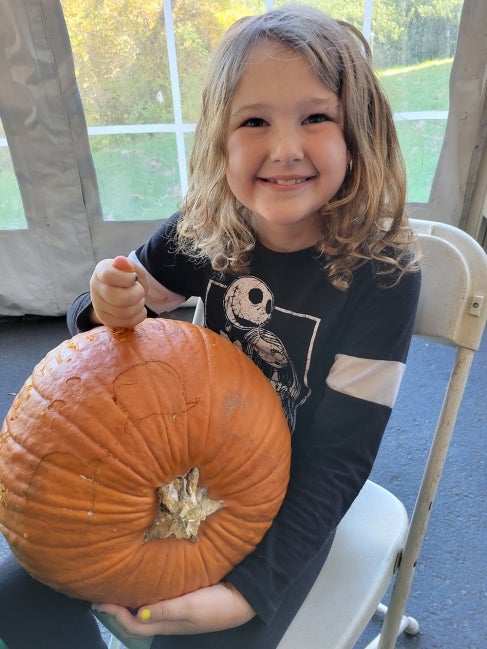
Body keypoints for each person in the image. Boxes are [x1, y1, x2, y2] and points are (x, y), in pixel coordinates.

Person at [0, 5, 421, 649]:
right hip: (164, 467)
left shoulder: (381, 276)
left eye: (315, 117)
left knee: (195, 644)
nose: (284, 149)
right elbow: (99, 341)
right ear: (220, 141)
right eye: (254, 122)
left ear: (359, 133)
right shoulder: (205, 230)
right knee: (15, 598)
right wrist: (102, 304)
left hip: (283, 502)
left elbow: (337, 463)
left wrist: (240, 596)